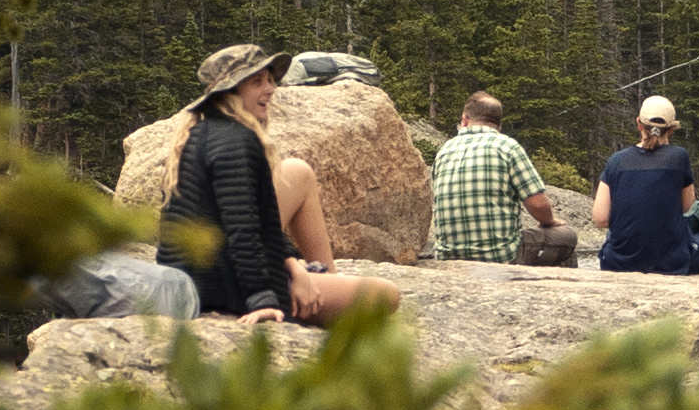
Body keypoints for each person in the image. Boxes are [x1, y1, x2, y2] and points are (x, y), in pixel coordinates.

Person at [165, 42, 402, 329]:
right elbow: (242, 230)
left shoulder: (202, 132)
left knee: (297, 172)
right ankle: (321, 291)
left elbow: (255, 221)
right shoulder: (235, 143)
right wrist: (263, 299)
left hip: (203, 279)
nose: (270, 89)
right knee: (386, 295)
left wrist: (292, 266)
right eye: (257, 82)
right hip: (225, 288)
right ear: (231, 91)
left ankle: (323, 279)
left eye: (269, 79)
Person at [592, 94, 699, 275]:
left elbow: (600, 218)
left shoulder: (616, 161)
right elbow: (688, 206)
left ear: (638, 124)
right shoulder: (678, 157)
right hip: (669, 263)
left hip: (617, 263)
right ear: (671, 129)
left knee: (612, 236)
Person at [431, 90, 572, 265]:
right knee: (567, 236)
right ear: (499, 126)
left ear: (465, 119)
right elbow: (538, 204)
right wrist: (550, 221)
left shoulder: (444, 151)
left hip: (448, 258)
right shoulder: (507, 146)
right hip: (498, 258)